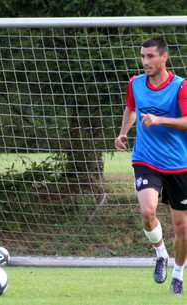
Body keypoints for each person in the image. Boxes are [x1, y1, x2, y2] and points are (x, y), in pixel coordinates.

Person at [115, 37, 187, 294]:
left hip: (180, 164)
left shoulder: (181, 87)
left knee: (183, 228)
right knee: (147, 212)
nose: (145, 61)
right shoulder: (135, 83)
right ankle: (160, 254)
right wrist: (123, 132)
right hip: (146, 159)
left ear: (164, 57)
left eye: (150, 57)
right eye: (142, 56)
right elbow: (131, 108)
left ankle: (178, 276)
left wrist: (160, 120)